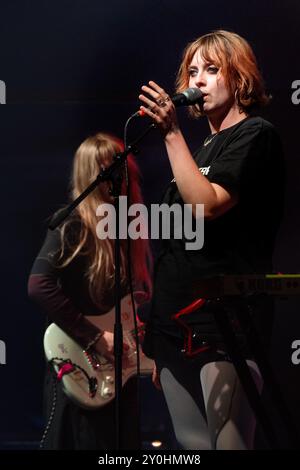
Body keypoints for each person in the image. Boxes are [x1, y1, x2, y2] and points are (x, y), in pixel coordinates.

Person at [138, 30, 285, 450]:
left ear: (239, 77)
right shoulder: (202, 148)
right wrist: (159, 337)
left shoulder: (255, 135)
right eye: (192, 71)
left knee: (229, 442)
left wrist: (170, 134)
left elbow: (206, 207)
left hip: (222, 321)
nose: (197, 81)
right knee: (192, 446)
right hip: (174, 328)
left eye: (212, 69)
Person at [28, 132, 152, 450]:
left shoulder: (127, 231)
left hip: (118, 374)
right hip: (80, 363)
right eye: (108, 168)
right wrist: (95, 337)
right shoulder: (72, 225)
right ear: (91, 173)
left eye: (121, 167)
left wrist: (147, 351)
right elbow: (39, 285)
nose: (119, 176)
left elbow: (127, 306)